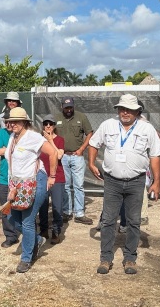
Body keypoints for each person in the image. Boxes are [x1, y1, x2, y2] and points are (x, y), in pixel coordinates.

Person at [88, 94, 160, 275]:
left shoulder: (147, 128)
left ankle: (130, 258)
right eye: (122, 109)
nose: (125, 112)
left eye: (129, 109)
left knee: (134, 222)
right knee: (108, 220)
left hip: (136, 182)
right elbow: (93, 143)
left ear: (137, 111)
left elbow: (155, 155)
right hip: (112, 181)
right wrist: (91, 163)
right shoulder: (108, 125)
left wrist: (156, 182)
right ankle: (106, 258)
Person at [3, 107, 59, 273]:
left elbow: (53, 153)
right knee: (11, 217)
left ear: (24, 121)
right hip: (17, 184)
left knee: (27, 221)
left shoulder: (33, 136)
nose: (12, 124)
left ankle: (26, 258)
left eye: (16, 121)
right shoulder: (13, 137)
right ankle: (37, 239)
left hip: (35, 181)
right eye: (10, 121)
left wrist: (52, 177)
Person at [55, 96, 94, 225]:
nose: (69, 110)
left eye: (70, 107)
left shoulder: (81, 117)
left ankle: (79, 213)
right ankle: (66, 212)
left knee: (79, 185)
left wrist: (82, 148)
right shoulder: (56, 118)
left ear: (73, 106)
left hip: (77, 156)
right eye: (66, 107)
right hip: (62, 157)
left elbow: (89, 133)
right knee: (65, 186)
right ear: (62, 107)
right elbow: (49, 133)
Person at [0, 109, 21, 248]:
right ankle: (10, 236)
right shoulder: (1, 133)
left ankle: (22, 231)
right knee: (6, 208)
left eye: (10, 121)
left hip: (19, 179)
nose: (8, 124)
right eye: (6, 121)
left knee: (21, 207)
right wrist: (12, 149)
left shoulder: (21, 134)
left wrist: (7, 149)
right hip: (4, 179)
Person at [38, 114, 66, 245]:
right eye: (45, 123)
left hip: (57, 177)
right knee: (42, 206)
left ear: (54, 126)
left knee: (57, 206)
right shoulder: (38, 140)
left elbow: (59, 155)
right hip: (42, 177)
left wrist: (50, 141)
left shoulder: (59, 140)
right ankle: (43, 230)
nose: (48, 126)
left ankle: (56, 231)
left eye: (50, 123)